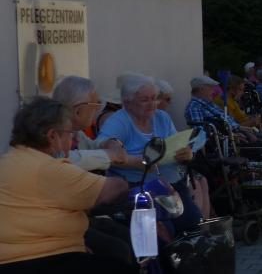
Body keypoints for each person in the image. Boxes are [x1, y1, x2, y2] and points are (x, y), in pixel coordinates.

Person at [0, 98, 132, 272]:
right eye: (70, 133)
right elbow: (112, 190)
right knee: (120, 260)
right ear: (53, 136)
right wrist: (124, 184)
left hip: (19, 255)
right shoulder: (48, 169)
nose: (72, 139)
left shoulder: (9, 159)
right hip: (40, 257)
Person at [95, 76, 204, 237]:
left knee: (193, 223)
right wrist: (128, 156)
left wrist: (187, 153)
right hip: (138, 189)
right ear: (127, 102)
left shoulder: (162, 117)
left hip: (170, 184)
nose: (152, 104)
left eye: (154, 98)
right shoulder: (119, 121)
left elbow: (178, 144)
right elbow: (104, 146)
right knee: (166, 231)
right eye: (145, 100)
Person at [51, 76, 126, 171]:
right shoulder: (54, 133)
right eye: (95, 105)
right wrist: (109, 155)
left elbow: (91, 146)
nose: (99, 109)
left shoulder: (76, 132)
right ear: (78, 111)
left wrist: (109, 143)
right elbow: (64, 161)